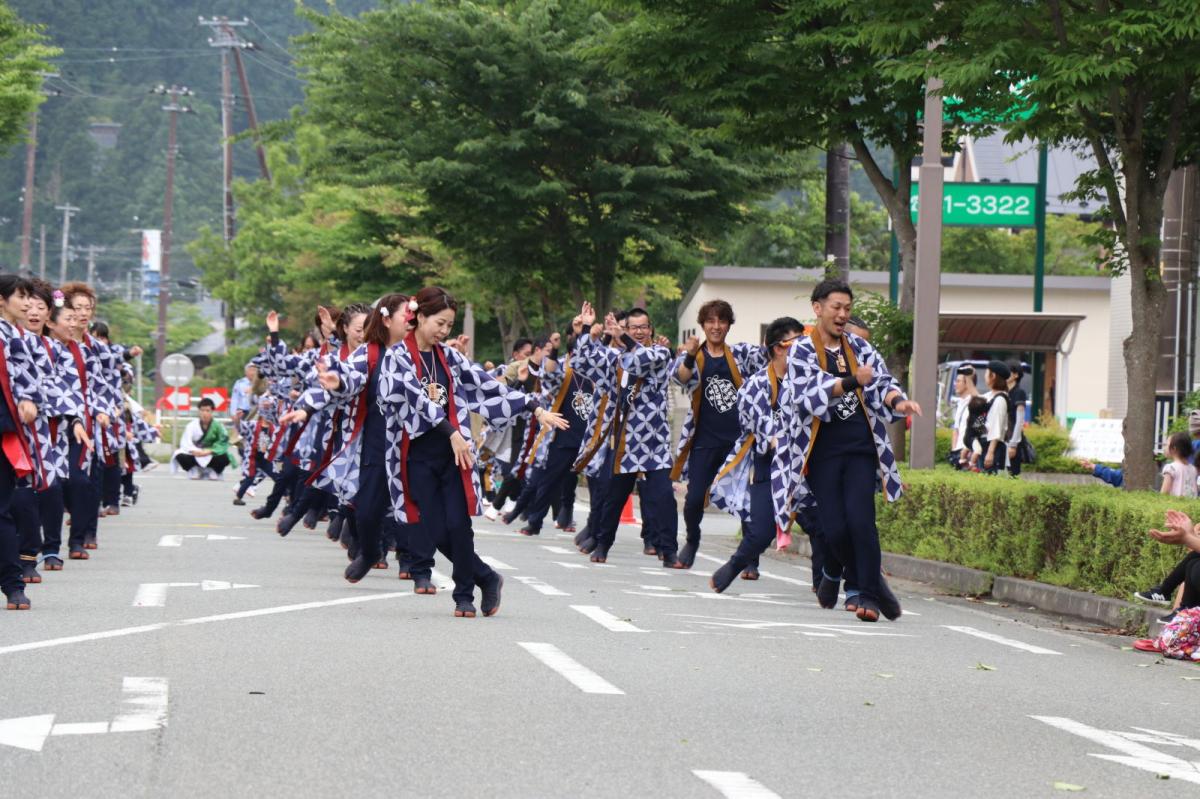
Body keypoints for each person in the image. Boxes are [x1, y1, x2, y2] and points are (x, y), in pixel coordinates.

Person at [376, 286, 567, 617]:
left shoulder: (449, 357)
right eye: (439, 322)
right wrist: (449, 430)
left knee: (459, 525)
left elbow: (487, 386)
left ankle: (465, 595)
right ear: (419, 316)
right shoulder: (397, 357)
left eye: (449, 325)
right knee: (435, 529)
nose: (444, 331)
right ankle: (486, 576)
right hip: (417, 452)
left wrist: (534, 406)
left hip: (456, 452)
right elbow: (413, 398)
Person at [779, 278, 921, 622]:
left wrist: (898, 402)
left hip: (860, 447)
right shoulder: (800, 350)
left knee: (861, 522)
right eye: (836, 307)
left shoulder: (859, 348)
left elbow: (882, 383)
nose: (843, 315)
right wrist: (851, 381)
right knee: (835, 529)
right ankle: (834, 568)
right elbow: (807, 395)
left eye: (847, 308)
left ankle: (867, 593)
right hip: (821, 452)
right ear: (818, 308)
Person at [708, 316, 804, 591]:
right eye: (795, 344)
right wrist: (776, 440)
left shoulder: (812, 382)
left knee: (823, 527)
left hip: (804, 467)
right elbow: (758, 425)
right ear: (778, 348)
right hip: (768, 465)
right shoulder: (755, 385)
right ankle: (735, 565)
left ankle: (831, 582)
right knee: (760, 532)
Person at [671, 299, 766, 568]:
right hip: (704, 439)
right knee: (692, 501)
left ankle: (750, 559)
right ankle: (692, 540)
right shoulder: (694, 357)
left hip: (739, 441)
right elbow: (680, 377)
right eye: (710, 321)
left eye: (721, 321)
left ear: (728, 325)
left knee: (747, 501)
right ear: (702, 324)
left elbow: (770, 359)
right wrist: (689, 354)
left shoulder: (741, 354)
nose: (716, 326)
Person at [585, 307, 681, 567]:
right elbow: (586, 363)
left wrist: (623, 338)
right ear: (626, 329)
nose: (639, 331)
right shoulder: (616, 357)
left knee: (664, 499)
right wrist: (588, 330)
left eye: (643, 327)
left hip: (655, 442)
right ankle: (602, 544)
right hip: (625, 440)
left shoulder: (660, 353)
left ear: (651, 329)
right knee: (613, 498)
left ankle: (669, 552)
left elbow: (639, 361)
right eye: (633, 328)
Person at [172, 397, 232, 478]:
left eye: (207, 411)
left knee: (225, 456)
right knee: (179, 454)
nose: (204, 413)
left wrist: (209, 451)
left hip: (211, 453)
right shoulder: (192, 425)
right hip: (196, 453)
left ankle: (214, 470)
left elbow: (223, 442)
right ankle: (194, 469)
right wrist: (195, 451)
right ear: (199, 411)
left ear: (212, 412)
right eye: (202, 410)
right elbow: (186, 442)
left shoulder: (219, 426)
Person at [981, 360, 1011, 475]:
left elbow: (996, 428)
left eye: (986, 372)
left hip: (993, 447)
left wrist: (990, 452)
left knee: (990, 479)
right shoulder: (989, 396)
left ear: (992, 376)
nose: (984, 376)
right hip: (985, 443)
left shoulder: (1000, 400)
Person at [948, 365, 979, 468]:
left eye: (958, 381)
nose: (955, 384)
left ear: (967, 383)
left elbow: (979, 428)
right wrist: (954, 451)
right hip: (958, 454)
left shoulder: (975, 402)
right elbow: (956, 430)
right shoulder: (960, 403)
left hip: (969, 454)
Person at [1005, 360, 1028, 477]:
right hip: (1002, 438)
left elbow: (1020, 421)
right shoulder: (1003, 392)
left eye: (1008, 371)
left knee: (1012, 474)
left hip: (1013, 439)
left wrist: (1013, 444)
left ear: (1016, 375)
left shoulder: (1019, 393)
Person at [1161, 432, 1198, 498]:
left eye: (1166, 445)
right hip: (1191, 506)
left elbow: (1164, 493)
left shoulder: (1170, 468)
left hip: (1174, 506)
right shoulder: (1193, 469)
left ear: (1174, 449)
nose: (1164, 447)